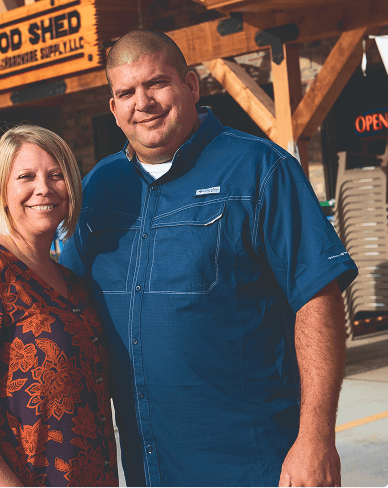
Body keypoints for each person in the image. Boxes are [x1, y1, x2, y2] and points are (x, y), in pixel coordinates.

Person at [59, 29, 358, 487]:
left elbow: (317, 296)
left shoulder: (261, 169)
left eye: (156, 83)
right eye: (126, 92)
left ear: (191, 86)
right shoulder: (98, 190)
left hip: (255, 464)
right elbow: (63, 303)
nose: (143, 102)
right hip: (148, 469)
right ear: (114, 108)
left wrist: (315, 438)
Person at [0, 125, 119, 487]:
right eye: (27, 177)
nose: (43, 188)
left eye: (56, 175)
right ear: (3, 190)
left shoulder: (72, 284)